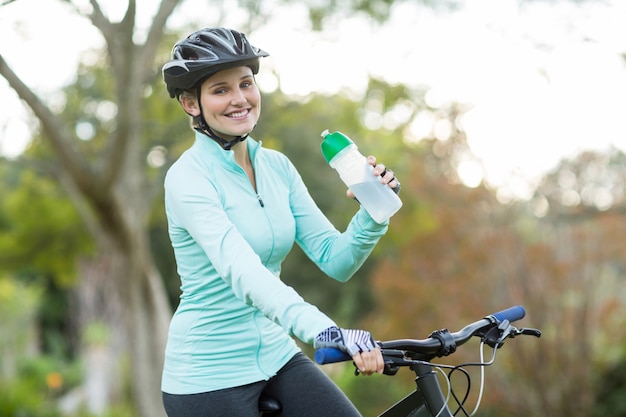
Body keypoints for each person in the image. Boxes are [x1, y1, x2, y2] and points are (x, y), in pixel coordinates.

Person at [160, 27, 401, 417]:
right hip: (208, 375)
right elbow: (246, 274)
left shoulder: (277, 167)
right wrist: (324, 330)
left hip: (276, 355)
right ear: (191, 103)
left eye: (246, 83)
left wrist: (372, 211)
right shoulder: (188, 178)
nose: (240, 99)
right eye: (220, 90)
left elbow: (335, 259)